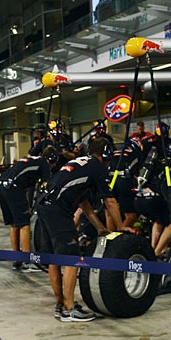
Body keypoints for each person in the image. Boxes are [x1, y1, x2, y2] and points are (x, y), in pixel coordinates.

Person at [35, 137, 123, 321]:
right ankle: (69, 309)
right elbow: (110, 201)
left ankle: (60, 304)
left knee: (54, 258)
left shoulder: (80, 163)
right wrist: (121, 227)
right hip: (58, 210)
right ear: (105, 154)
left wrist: (100, 228)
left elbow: (84, 203)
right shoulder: (97, 168)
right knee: (72, 259)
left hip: (43, 205)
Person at [0, 146, 58, 272]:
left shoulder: (31, 160)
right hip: (13, 188)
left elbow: (26, 187)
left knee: (14, 224)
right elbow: (46, 187)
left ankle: (17, 258)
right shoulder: (44, 164)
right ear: (51, 160)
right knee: (24, 224)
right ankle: (28, 261)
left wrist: (28, 206)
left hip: (1, 186)